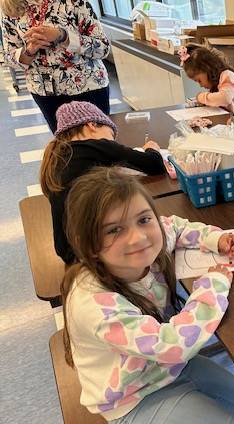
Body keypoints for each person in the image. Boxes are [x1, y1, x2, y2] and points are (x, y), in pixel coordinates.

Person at [60, 168, 234, 424]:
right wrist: (214, 284)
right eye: (113, 230)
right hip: (133, 401)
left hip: (169, 369)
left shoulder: (147, 244)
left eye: (143, 219)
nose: (138, 237)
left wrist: (216, 239)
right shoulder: (92, 303)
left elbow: (175, 227)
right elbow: (174, 345)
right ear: (87, 244)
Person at [40, 101, 166, 265]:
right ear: (92, 125)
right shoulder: (96, 146)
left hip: (68, 250)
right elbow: (155, 164)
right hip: (95, 250)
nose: (113, 140)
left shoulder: (56, 156)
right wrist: (152, 148)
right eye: (111, 135)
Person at [1, 0, 111, 133]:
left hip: (88, 85)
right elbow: (7, 57)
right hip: (45, 92)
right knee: (64, 146)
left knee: (100, 141)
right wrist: (29, 50)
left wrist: (63, 36)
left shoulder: (74, 2)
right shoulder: (10, 8)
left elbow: (103, 48)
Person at [179, 44, 234, 113]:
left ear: (208, 69)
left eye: (199, 80)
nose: (200, 85)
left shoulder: (227, 76)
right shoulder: (216, 84)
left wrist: (201, 97)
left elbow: (225, 99)